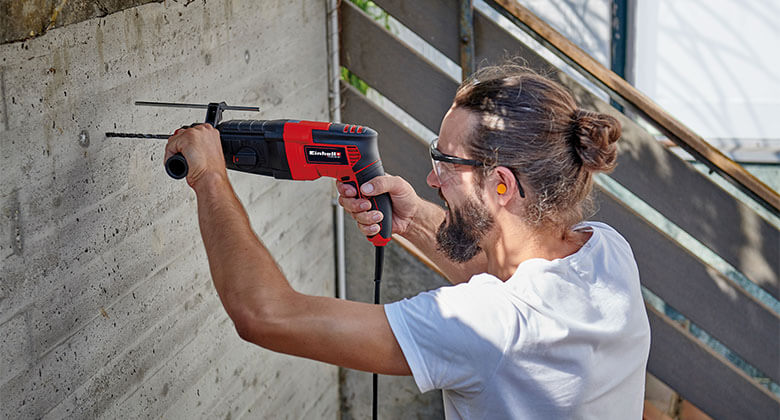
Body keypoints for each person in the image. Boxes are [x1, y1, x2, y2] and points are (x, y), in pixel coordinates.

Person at [165, 64, 651, 419]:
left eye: (446, 162)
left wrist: (210, 177)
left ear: (502, 185)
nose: (432, 179)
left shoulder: (487, 325)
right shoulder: (606, 252)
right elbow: (504, 279)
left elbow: (266, 316)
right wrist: (413, 217)